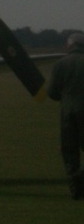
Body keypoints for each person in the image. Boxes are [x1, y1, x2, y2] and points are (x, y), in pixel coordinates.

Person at [47, 32, 84, 199]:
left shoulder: (60, 64)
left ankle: (75, 188)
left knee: (69, 150)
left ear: (69, 46)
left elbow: (52, 93)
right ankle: (80, 177)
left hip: (67, 111)